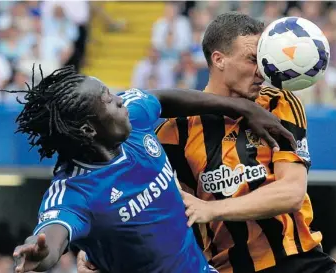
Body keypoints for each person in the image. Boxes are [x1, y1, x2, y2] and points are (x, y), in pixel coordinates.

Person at [78, 12, 336, 273]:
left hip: (302, 263)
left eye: (263, 59)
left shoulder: (278, 103)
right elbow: (142, 205)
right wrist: (96, 253)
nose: (262, 70)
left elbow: (291, 193)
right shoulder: (173, 133)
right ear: (219, 59)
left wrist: (211, 209)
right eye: (251, 60)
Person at [6, 65, 293, 273]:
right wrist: (41, 253)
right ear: (87, 129)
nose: (119, 99)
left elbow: (164, 99)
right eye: (107, 100)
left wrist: (241, 108)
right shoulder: (74, 193)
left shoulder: (134, 120)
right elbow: (53, 234)